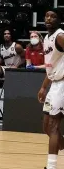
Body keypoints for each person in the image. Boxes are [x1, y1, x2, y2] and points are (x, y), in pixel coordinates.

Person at [38, 9, 64, 169]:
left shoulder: (60, 36)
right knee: (46, 126)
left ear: (59, 20)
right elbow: (50, 66)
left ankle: (51, 166)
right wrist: (43, 87)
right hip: (54, 84)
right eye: (47, 15)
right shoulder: (47, 38)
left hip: (62, 84)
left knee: (54, 126)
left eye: (53, 16)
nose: (49, 18)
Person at [0, 28, 25, 94]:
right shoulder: (0, 47)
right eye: (5, 34)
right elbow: (2, 57)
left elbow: (24, 58)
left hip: (17, 69)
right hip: (7, 68)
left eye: (8, 34)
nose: (6, 35)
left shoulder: (17, 46)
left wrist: (17, 66)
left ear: (11, 36)